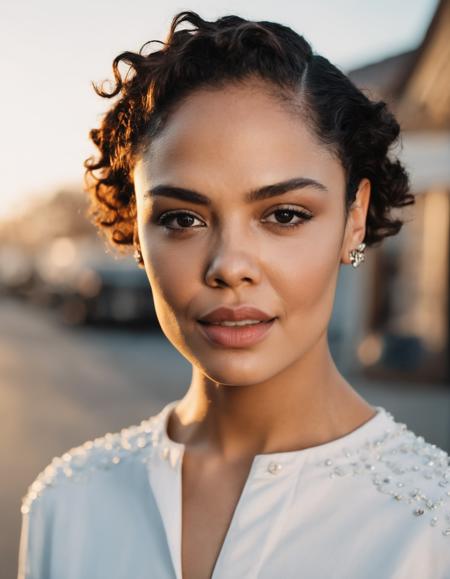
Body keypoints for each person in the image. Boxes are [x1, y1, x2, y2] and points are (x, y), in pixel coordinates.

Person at [18, 10, 450, 579]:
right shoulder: (66, 504)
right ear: (136, 232)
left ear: (354, 217)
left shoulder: (433, 530)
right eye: (181, 219)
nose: (229, 267)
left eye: (285, 214)